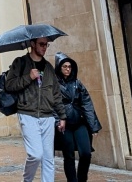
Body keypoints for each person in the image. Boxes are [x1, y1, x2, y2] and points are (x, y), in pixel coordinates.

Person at [4, 37, 65, 182]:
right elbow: (9, 85)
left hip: (47, 116)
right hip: (28, 114)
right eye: (41, 44)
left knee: (48, 158)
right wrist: (29, 77)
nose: (44, 47)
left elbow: (56, 93)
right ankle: (27, 180)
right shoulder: (20, 62)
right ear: (32, 44)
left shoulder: (48, 67)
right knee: (36, 155)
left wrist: (62, 116)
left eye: (46, 45)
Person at [55, 53, 101, 182]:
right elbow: (51, 105)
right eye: (65, 66)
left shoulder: (77, 83)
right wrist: (58, 121)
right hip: (64, 124)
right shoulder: (53, 85)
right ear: (59, 67)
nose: (68, 69)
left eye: (69, 66)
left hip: (79, 122)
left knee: (86, 153)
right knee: (69, 155)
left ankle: (81, 179)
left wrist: (93, 126)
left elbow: (87, 104)